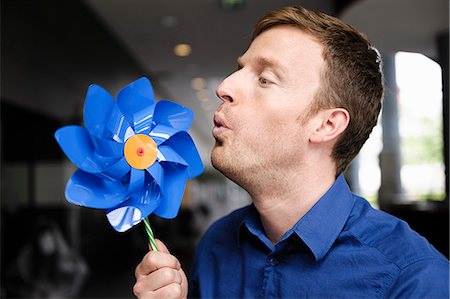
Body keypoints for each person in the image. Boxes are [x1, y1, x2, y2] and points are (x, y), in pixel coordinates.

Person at [133, 5, 449, 298]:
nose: (225, 86)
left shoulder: (414, 279)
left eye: (265, 79)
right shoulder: (216, 244)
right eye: (239, 69)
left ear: (326, 125)